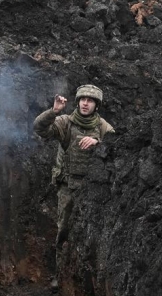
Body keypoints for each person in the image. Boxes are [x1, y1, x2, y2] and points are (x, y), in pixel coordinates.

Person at [33, 85, 115, 260]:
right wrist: (53, 111)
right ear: (78, 102)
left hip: (93, 189)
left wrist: (97, 142)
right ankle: (60, 268)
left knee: (92, 230)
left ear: (97, 105)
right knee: (64, 228)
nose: (85, 104)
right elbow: (39, 129)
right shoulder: (65, 122)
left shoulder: (103, 127)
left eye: (90, 101)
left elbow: (118, 148)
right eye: (82, 100)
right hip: (68, 186)